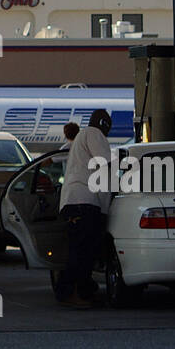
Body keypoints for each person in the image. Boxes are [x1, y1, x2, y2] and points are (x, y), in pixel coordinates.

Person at [55, 108, 113, 308]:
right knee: (82, 252)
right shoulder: (94, 134)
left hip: (73, 202)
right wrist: (105, 209)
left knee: (81, 250)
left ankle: (84, 291)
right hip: (84, 202)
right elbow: (105, 167)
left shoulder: (81, 139)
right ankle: (69, 293)